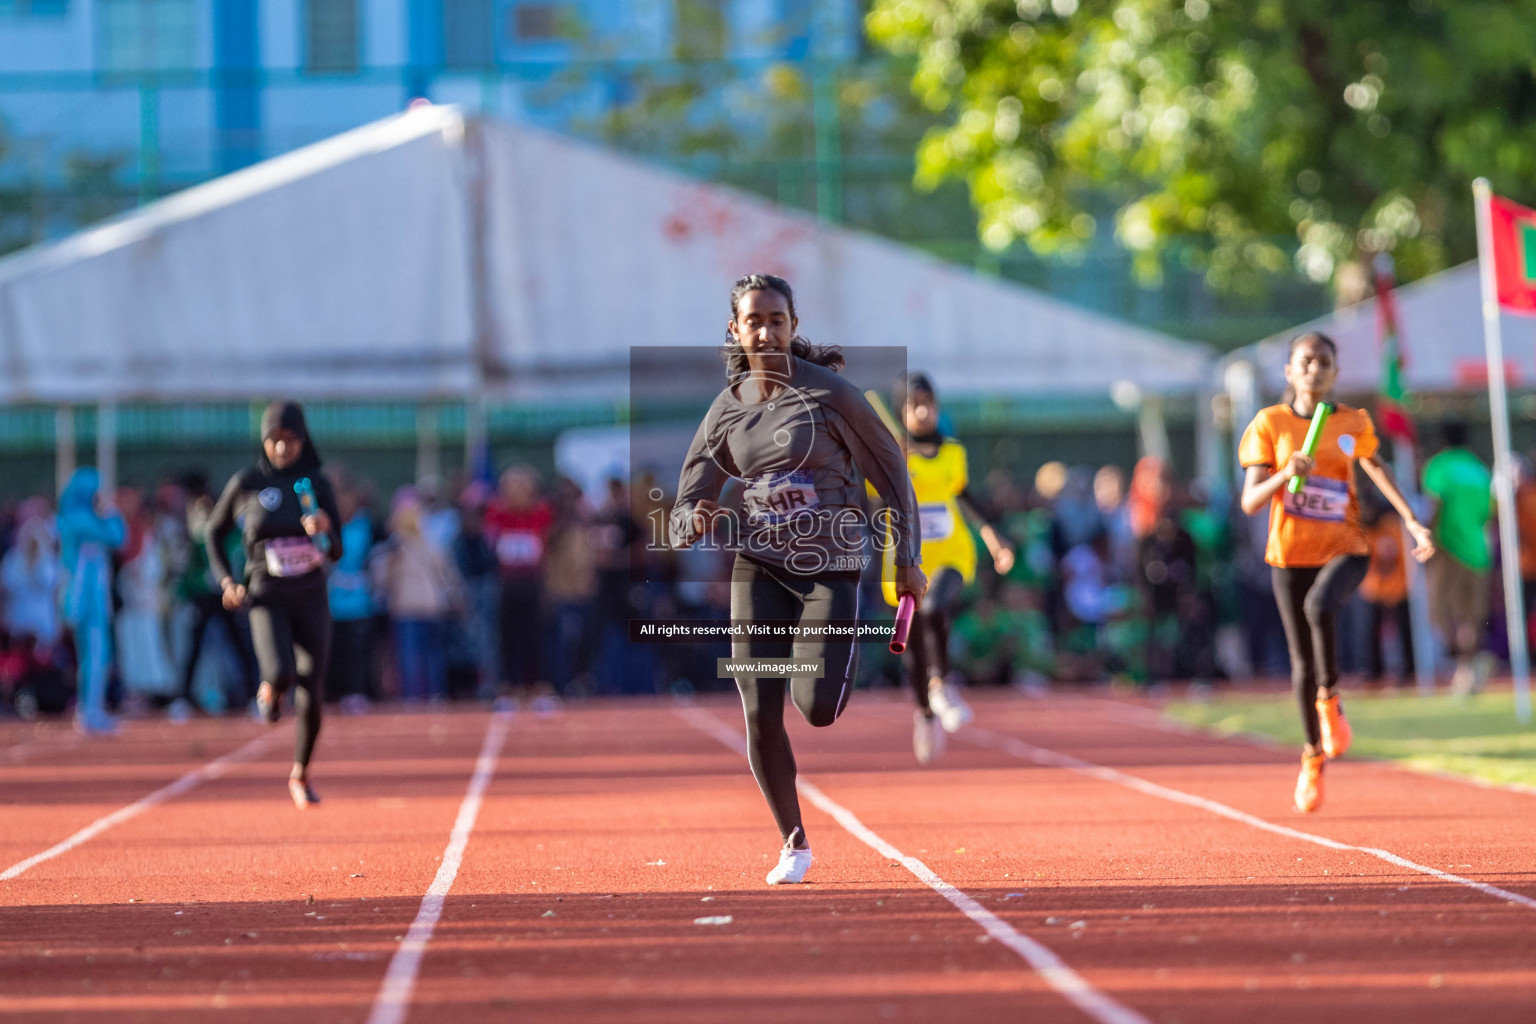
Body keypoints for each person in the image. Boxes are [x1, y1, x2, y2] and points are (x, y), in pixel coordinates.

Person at [671, 273, 925, 885]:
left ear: (793, 324)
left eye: (776, 319)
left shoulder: (834, 397)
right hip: (758, 566)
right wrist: (693, 521)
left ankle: (830, 655)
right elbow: (684, 508)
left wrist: (903, 557)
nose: (765, 330)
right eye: (753, 320)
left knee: (814, 708)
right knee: (758, 709)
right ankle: (793, 841)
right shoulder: (725, 411)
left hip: (829, 569)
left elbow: (893, 479)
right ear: (735, 330)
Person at [1238, 332, 1433, 813]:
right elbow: (1249, 501)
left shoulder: (1350, 421)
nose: (1314, 370)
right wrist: (1287, 474)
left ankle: (1331, 698)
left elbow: (1377, 467)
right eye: (1305, 362)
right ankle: (1311, 758)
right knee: (1301, 660)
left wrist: (1411, 521)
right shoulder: (1271, 423)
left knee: (1320, 606)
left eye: (1324, 362)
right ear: (1289, 371)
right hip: (1290, 552)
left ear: (1335, 372)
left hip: (1345, 544)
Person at [207, 402, 344, 808]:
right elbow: (213, 532)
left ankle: (300, 773)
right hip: (266, 592)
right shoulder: (247, 481)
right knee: (281, 671)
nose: (282, 449)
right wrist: (227, 581)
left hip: (311, 593)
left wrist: (325, 529)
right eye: (274, 441)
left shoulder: (316, 482)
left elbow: (337, 551)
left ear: (303, 440)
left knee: (313, 688)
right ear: (263, 441)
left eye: (290, 440)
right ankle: (270, 688)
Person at [881, 372, 1014, 763]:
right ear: (900, 411)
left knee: (935, 606)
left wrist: (993, 538)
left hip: (953, 553)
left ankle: (941, 685)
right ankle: (924, 713)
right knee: (912, 640)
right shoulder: (890, 455)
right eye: (912, 404)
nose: (922, 411)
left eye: (928, 402)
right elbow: (869, 500)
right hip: (906, 559)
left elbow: (965, 496)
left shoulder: (953, 452)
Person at [1421, 420, 1495, 695]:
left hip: (1446, 547)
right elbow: (1488, 513)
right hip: (1477, 550)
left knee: (1438, 612)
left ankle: (1463, 664)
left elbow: (1435, 504)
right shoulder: (1479, 469)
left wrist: (1426, 538)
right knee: (1471, 617)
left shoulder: (1439, 466)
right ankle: (1468, 667)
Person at [57, 468, 127, 735]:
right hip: (82, 599)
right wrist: (110, 510)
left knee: (98, 655)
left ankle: (91, 708)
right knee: (94, 656)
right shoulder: (78, 519)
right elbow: (116, 536)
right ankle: (90, 711)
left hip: (94, 597)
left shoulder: (81, 518)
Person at [1359, 493, 1415, 688]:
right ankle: (1374, 671)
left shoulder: (1390, 525)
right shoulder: (1362, 529)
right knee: (1370, 632)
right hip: (1374, 588)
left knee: (1404, 630)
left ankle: (1409, 670)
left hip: (1398, 587)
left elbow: (1392, 557)